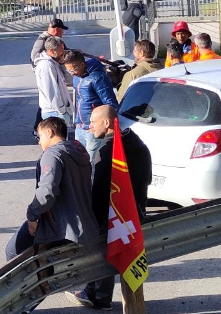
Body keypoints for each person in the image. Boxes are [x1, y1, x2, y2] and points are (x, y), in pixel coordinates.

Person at [69, 106, 152, 310]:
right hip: (135, 213)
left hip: (112, 215)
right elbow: (147, 178)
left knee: (101, 249)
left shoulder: (107, 152)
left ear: (107, 123)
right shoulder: (138, 144)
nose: (89, 126)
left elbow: (98, 191)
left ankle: (97, 294)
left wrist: (91, 219)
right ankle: (98, 294)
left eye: (93, 122)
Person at [7, 117, 97, 259]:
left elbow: (46, 192)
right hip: (83, 225)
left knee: (13, 250)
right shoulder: (78, 150)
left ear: (50, 132)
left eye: (40, 136)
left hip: (60, 227)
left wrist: (32, 216)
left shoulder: (52, 155)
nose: (39, 141)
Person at [61, 49, 118, 157]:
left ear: (82, 64)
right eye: (69, 71)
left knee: (90, 162)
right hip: (80, 127)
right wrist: (77, 121)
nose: (72, 74)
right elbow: (79, 100)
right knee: (79, 160)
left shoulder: (98, 78)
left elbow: (111, 104)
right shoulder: (77, 78)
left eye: (73, 70)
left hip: (94, 130)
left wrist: (99, 126)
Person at [34, 36, 72, 132]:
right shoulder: (46, 66)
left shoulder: (54, 62)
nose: (63, 53)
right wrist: (62, 110)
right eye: (61, 51)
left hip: (58, 111)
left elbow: (68, 80)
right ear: (51, 51)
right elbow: (51, 92)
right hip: (55, 112)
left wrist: (63, 63)